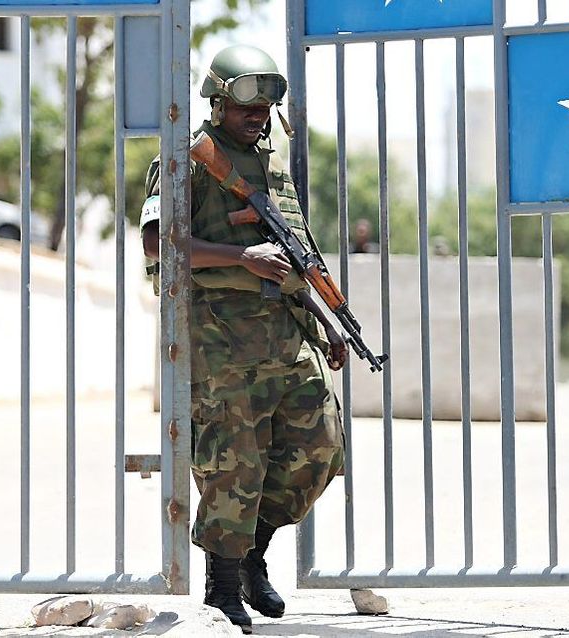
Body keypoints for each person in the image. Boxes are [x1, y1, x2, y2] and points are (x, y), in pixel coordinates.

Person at [140, 45, 347, 633]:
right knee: (235, 463)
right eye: (246, 100)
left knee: (320, 449)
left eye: (269, 100)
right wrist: (241, 257)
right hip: (220, 337)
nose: (259, 113)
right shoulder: (189, 159)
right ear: (217, 98)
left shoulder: (273, 168)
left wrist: (326, 323)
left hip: (285, 333)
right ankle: (224, 587)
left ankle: (252, 553)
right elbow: (159, 244)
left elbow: (292, 261)